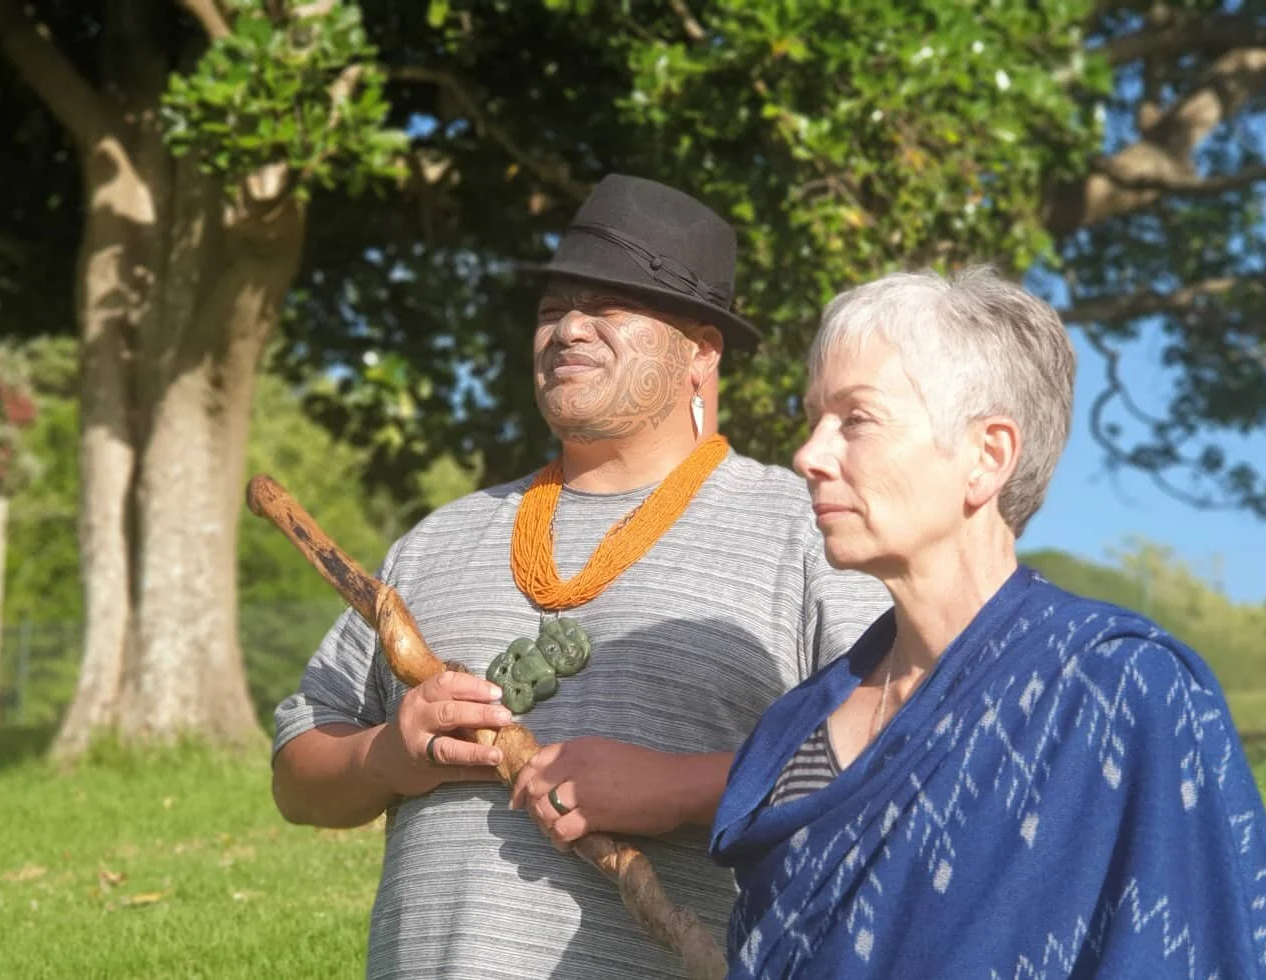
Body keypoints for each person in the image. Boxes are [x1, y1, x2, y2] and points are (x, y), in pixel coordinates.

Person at [269, 174, 891, 979]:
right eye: (551, 308)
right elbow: (296, 777)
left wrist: (683, 786)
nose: (567, 329)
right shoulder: (437, 540)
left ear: (701, 352)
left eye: (608, 306)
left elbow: (898, 758)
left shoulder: (807, 533)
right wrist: (388, 756)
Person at [708, 267, 1266, 978]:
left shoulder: (1118, 690)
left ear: (987, 457)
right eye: (813, 418)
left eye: (855, 420)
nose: (809, 455)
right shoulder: (797, 728)